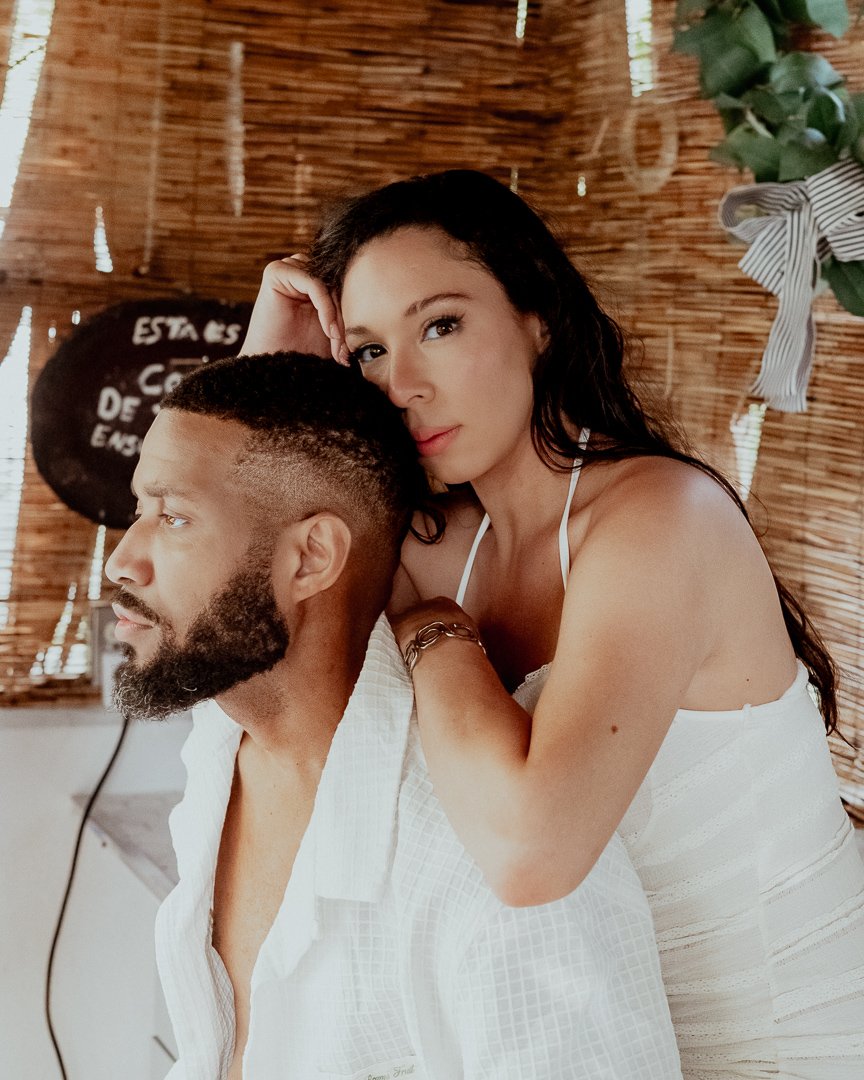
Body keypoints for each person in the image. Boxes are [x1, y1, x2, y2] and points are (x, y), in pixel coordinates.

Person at [241, 169, 864, 1078]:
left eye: (440, 325)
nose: (402, 382)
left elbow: (531, 852)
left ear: (537, 318)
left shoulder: (661, 517)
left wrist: (429, 622)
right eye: (369, 351)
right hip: (605, 1045)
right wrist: (275, 379)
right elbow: (236, 626)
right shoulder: (450, 539)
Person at [105, 351, 682, 1080]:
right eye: (138, 510)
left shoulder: (468, 864)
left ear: (312, 557)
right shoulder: (223, 745)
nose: (122, 560)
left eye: (174, 518)